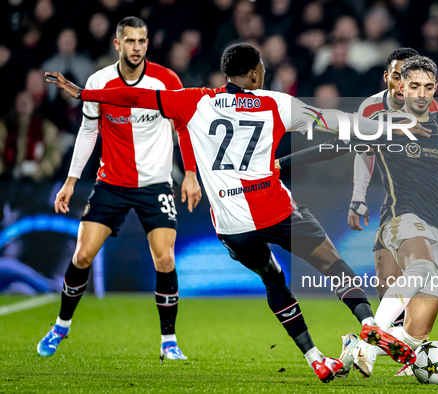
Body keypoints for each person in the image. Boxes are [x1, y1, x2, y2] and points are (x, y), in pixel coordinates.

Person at [45, 43, 418, 383]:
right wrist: (391, 127)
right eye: (262, 70)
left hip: (232, 224)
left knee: (273, 279)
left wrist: (85, 93)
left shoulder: (194, 101)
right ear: (255, 73)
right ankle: (368, 322)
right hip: (275, 209)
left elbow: (135, 96)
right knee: (332, 264)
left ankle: (315, 357)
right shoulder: (277, 103)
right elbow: (337, 121)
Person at [276, 48, 438, 377]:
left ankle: (353, 348)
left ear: (433, 87)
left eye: (424, 86)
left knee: (425, 322)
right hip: (403, 213)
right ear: (396, 83)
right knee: (409, 275)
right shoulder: (379, 119)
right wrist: (284, 163)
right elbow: (340, 145)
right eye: (408, 83)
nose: (413, 90)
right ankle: (370, 340)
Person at [37, 17, 201, 361]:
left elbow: (182, 127)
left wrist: (189, 173)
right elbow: (87, 132)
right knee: (81, 255)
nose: (137, 47)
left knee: (165, 258)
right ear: (118, 45)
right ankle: (61, 326)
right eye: (130, 41)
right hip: (110, 183)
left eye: (142, 41)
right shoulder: (99, 81)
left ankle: (168, 342)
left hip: (155, 184)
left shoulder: (166, 80)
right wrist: (70, 181)